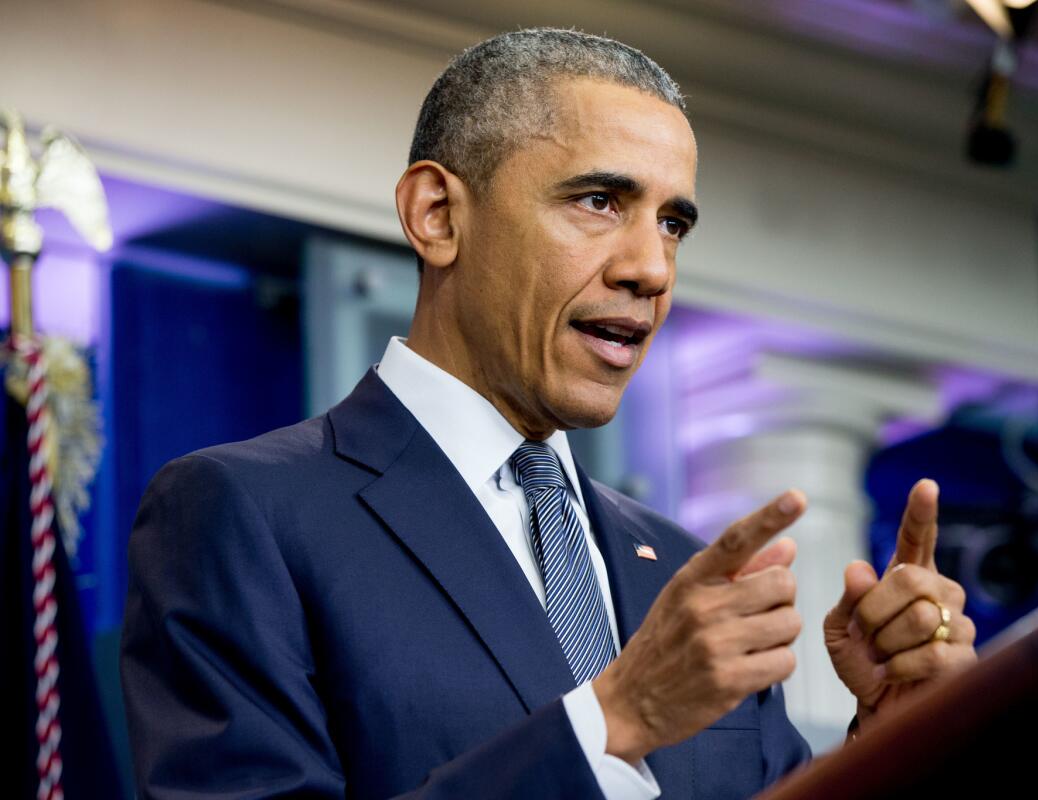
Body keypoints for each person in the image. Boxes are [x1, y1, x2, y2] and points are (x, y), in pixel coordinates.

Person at [120, 28, 977, 799]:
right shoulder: (242, 513)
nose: (652, 267)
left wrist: (894, 738)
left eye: (673, 222)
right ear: (438, 214)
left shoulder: (684, 571)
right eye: (599, 201)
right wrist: (612, 722)